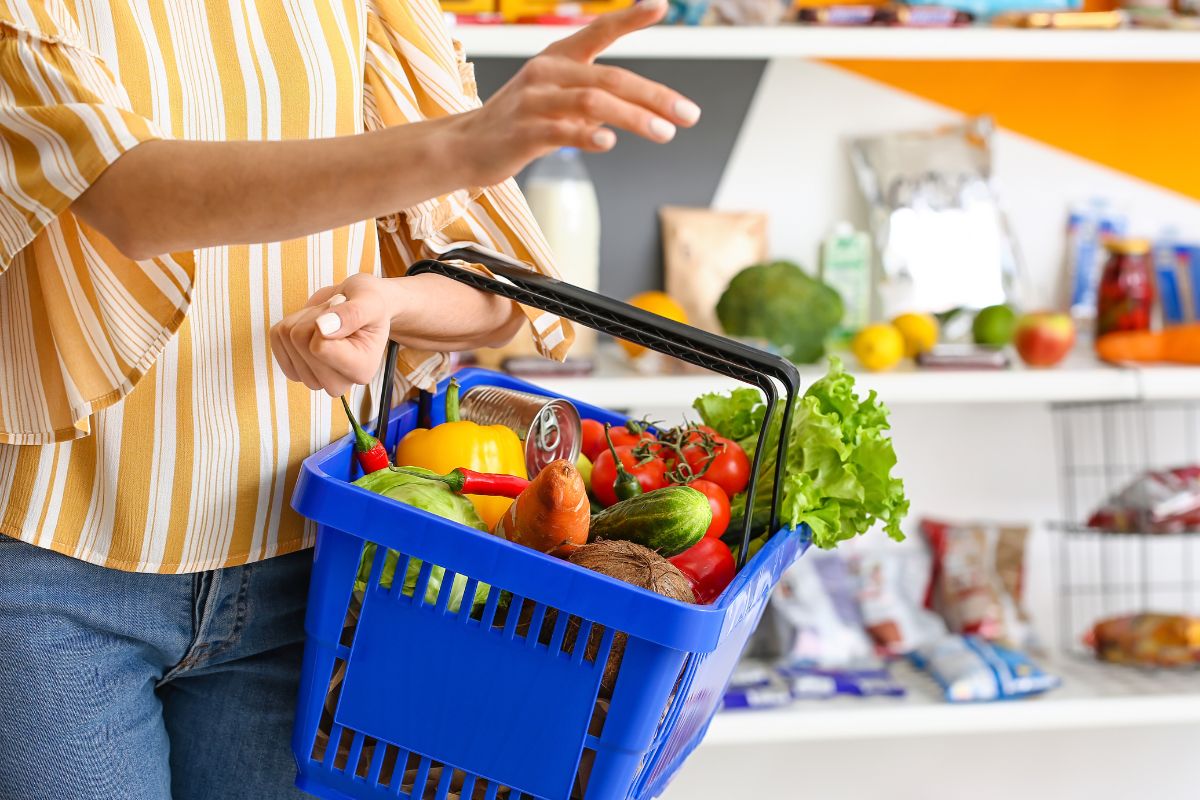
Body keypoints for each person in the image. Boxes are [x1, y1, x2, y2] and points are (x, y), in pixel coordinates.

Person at [0, 0, 700, 797]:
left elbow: (502, 288)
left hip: (311, 582)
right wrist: (458, 146)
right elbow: (129, 193)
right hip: (58, 579)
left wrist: (392, 304)